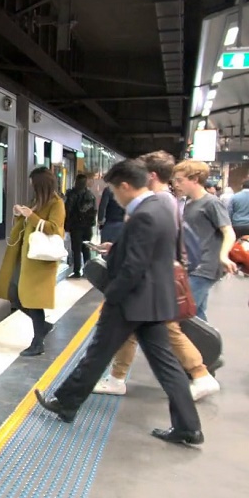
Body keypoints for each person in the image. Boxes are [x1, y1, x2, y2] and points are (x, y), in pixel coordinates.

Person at [34, 159, 203, 445]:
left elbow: (135, 266)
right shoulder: (164, 206)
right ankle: (189, 426)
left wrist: (112, 295)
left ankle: (65, 402)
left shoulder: (144, 215)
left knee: (98, 353)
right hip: (155, 300)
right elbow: (153, 252)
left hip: (131, 300)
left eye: (114, 190)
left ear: (125, 186)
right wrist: (119, 248)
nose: (114, 195)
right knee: (166, 365)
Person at [91, 152, 219, 402]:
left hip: (155, 278)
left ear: (149, 176)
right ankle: (117, 377)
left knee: (168, 329)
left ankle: (200, 374)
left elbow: (150, 245)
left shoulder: (156, 202)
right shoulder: (165, 201)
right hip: (157, 276)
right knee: (142, 330)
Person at [0, 168, 66, 357]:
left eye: (34, 183)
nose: (31, 186)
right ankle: (43, 326)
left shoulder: (57, 203)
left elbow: (52, 228)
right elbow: (30, 223)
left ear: (41, 184)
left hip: (41, 261)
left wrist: (30, 216)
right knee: (14, 293)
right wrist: (21, 214)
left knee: (34, 301)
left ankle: (38, 342)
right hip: (26, 257)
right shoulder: (37, 200)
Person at [172, 159, 237, 320]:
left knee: (181, 314)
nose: (176, 184)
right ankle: (204, 345)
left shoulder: (211, 203)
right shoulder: (189, 204)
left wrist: (223, 256)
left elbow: (228, 231)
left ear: (195, 179)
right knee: (196, 315)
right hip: (194, 266)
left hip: (204, 267)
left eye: (180, 180)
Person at [63, 174, 97, 279]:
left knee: (76, 249)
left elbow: (68, 209)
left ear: (76, 182)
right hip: (87, 227)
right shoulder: (90, 195)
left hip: (76, 226)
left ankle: (77, 271)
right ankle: (88, 272)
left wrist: (66, 224)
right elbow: (94, 211)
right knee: (86, 249)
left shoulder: (72, 194)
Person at [98, 177, 127, 244]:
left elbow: (103, 206)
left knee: (105, 249)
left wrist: (100, 221)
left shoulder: (108, 190)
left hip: (109, 223)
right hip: (122, 224)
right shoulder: (126, 191)